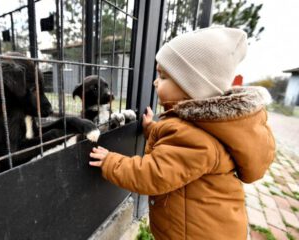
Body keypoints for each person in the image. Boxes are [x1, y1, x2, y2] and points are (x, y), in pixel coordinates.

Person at [89, 27, 275, 240]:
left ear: (193, 88)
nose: (155, 82)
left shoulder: (196, 137)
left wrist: (110, 162)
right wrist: (152, 129)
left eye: (163, 76)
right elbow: (176, 146)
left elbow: (152, 174)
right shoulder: (203, 125)